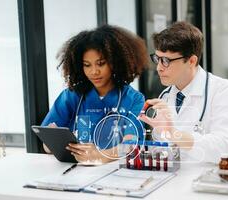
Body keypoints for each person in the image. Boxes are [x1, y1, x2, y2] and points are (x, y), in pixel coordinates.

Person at [139, 21, 228, 164]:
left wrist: (174, 133)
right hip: (183, 178)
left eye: (166, 60)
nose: (159, 68)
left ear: (192, 61)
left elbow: (226, 146)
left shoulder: (223, 91)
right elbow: (164, 151)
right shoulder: (165, 97)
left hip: (226, 176)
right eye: (157, 59)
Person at [41, 25, 148, 163]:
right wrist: (54, 144)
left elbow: (131, 146)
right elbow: (47, 144)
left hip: (115, 173)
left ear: (115, 63)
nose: (94, 72)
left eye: (101, 63)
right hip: (75, 172)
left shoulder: (134, 99)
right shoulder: (71, 96)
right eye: (87, 65)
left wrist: (100, 156)